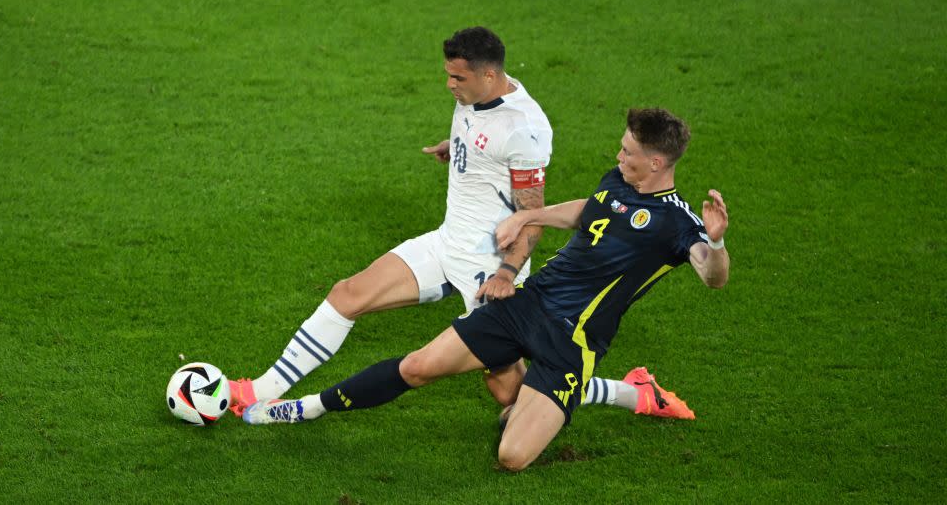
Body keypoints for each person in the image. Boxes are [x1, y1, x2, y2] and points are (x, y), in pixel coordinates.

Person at [242, 108, 730, 472]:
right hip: (527, 303)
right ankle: (303, 409)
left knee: (512, 455)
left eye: (628, 151)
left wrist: (717, 241)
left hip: (574, 340)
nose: (619, 155)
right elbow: (593, 208)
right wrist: (530, 214)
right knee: (417, 366)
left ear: (658, 161)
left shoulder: (677, 223)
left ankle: (625, 391)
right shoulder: (619, 180)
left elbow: (711, 275)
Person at [226, 26, 554, 415]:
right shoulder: (477, 92)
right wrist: (460, 148)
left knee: (509, 392)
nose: (449, 84)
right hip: (447, 243)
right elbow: (484, 137)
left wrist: (506, 273)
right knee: (348, 295)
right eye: (448, 74)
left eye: (457, 77)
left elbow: (532, 219)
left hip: (490, 268)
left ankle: (626, 393)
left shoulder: (524, 129)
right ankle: (260, 390)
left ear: (488, 75)